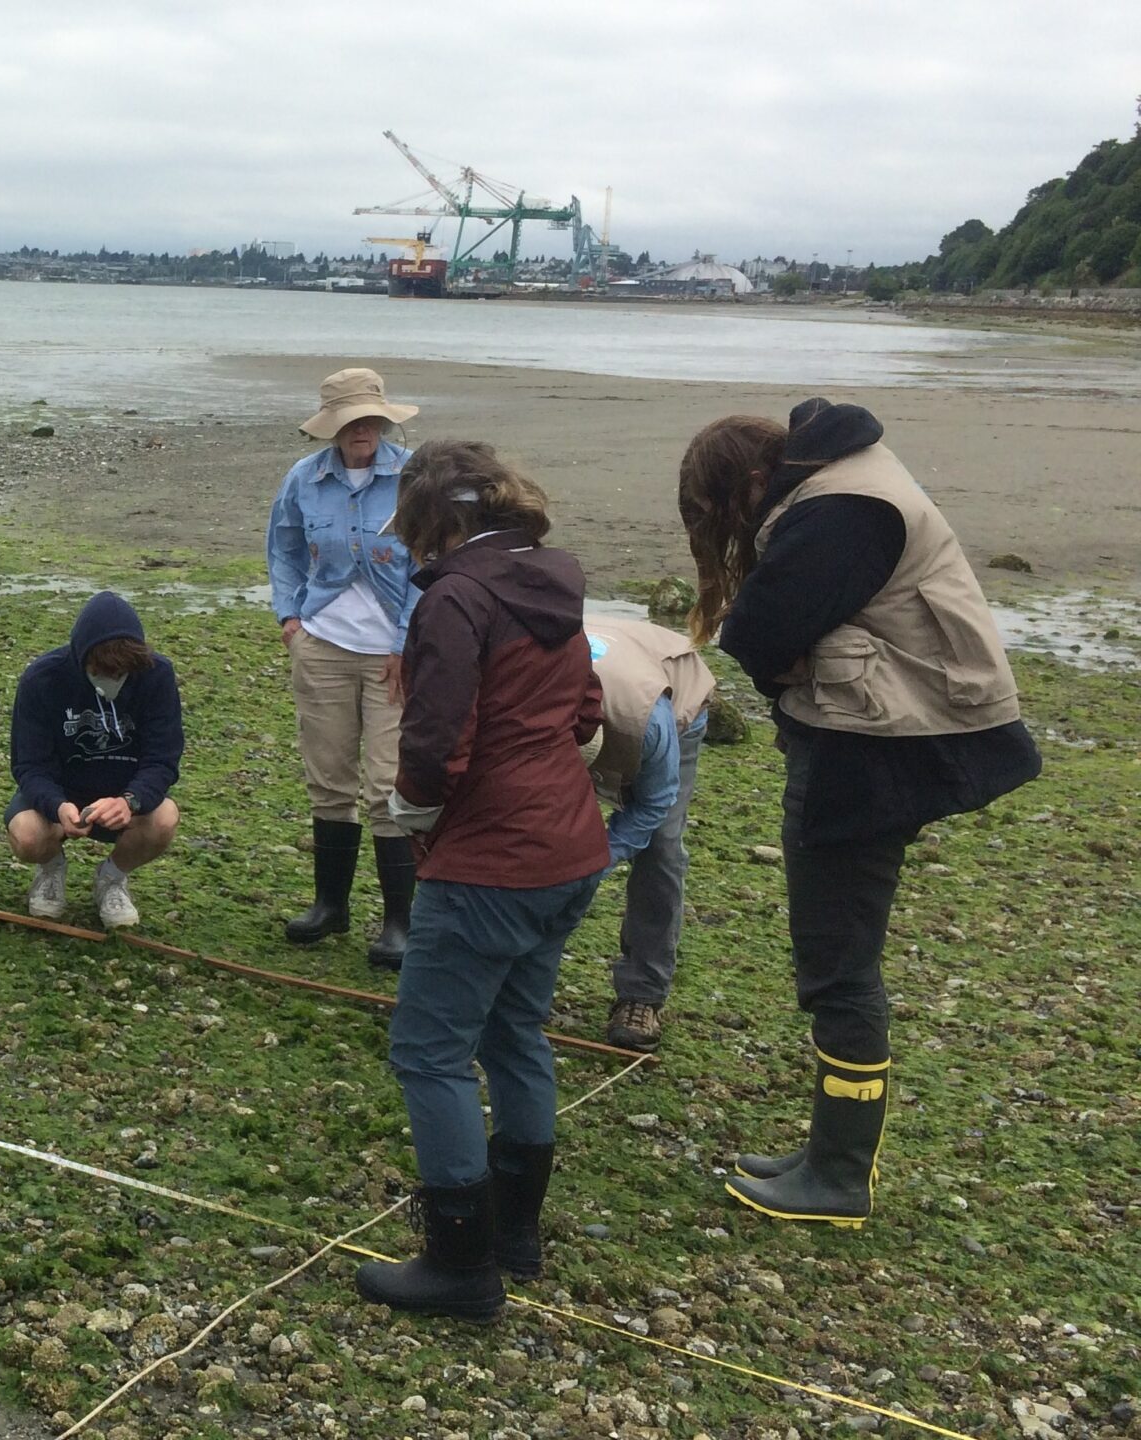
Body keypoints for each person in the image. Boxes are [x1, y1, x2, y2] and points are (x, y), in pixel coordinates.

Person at [680, 400, 1040, 1228]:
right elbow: (780, 628)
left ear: (754, 483)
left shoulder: (839, 508)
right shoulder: (844, 481)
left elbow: (758, 631)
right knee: (843, 961)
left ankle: (838, 1176)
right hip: (885, 735)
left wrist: (784, 652)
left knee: (839, 966)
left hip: (873, 752)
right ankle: (826, 1153)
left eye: (723, 509)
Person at [352, 442, 609, 1321]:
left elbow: (434, 740)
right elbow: (584, 714)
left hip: (492, 860)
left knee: (428, 1049)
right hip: (569, 849)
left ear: (435, 518)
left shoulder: (458, 596)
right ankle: (515, 1235)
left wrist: (415, 807)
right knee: (516, 1032)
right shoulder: (554, 581)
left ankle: (461, 1262)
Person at [268, 367, 422, 969]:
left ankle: (399, 924)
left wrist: (408, 643)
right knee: (329, 780)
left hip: (395, 653)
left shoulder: (414, 481)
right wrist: (290, 618)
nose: (362, 429)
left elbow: (435, 563)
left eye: (370, 418)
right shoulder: (303, 480)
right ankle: (329, 906)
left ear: (384, 420)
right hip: (323, 643)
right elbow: (281, 548)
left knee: (388, 785)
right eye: (350, 420)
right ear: (331, 427)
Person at [580, 615, 717, 1052]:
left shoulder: (651, 725)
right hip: (610, 660)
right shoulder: (518, 694)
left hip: (672, 689)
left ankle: (642, 994)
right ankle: (514, 973)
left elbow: (654, 804)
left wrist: (594, 863)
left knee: (659, 849)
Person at [6, 591, 184, 928]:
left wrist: (130, 801)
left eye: (121, 674)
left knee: (165, 819)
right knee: (27, 835)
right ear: (81, 659)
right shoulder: (42, 680)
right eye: (103, 671)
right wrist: (57, 806)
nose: (112, 679)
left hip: (123, 796)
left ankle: (112, 878)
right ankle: (52, 868)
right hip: (62, 793)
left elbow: (163, 759)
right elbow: (29, 765)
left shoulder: (156, 675)